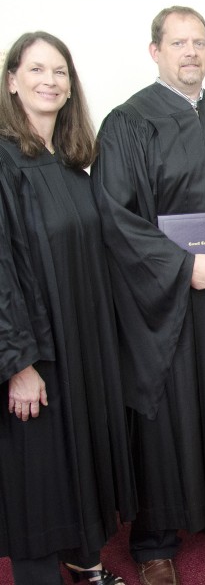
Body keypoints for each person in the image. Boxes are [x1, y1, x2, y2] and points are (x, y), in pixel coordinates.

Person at [92, 7, 205, 585]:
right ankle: (155, 540)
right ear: (155, 51)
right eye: (178, 42)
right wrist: (182, 266)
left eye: (199, 42)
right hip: (164, 299)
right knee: (167, 411)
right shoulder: (128, 122)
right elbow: (116, 218)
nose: (190, 52)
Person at [0, 32, 136, 585]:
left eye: (60, 71)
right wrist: (17, 363)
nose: (49, 81)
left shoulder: (74, 165)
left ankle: (85, 560)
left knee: (77, 461)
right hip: (37, 352)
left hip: (81, 347)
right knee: (38, 477)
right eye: (36, 70)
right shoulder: (5, 165)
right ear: (12, 80)